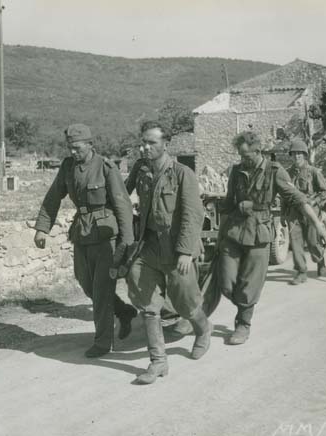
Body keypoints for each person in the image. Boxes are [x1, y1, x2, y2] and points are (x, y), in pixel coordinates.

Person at [33, 124, 138, 358]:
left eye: (77, 148)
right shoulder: (68, 167)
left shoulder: (106, 167)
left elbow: (122, 203)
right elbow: (53, 197)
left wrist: (127, 239)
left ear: (90, 145)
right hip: (82, 233)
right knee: (86, 283)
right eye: (70, 148)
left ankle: (103, 342)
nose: (73, 152)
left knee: (101, 290)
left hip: (105, 235)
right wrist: (42, 228)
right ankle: (124, 311)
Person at [217, 131, 326, 345]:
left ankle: (243, 324)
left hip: (259, 233)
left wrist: (319, 227)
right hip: (233, 232)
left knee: (249, 283)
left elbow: (299, 200)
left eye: (247, 156)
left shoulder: (275, 171)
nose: (243, 160)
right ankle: (243, 305)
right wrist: (221, 235)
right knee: (227, 284)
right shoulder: (236, 171)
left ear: (258, 151)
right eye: (240, 156)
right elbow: (227, 204)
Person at [124, 120, 212, 385]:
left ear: (166, 144)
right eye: (143, 142)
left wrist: (185, 252)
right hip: (149, 246)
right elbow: (122, 195)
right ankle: (158, 362)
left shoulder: (182, 174)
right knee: (147, 302)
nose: (145, 148)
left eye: (151, 143)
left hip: (176, 249)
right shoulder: (140, 171)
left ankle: (203, 328)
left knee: (185, 301)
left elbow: (192, 214)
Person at [282, 138, 326, 285]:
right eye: (294, 154)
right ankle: (301, 271)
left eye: (299, 154)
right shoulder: (287, 173)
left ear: (304, 155)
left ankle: (320, 259)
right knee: (295, 242)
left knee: (312, 242)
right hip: (294, 212)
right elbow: (284, 194)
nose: (296, 157)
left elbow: (325, 193)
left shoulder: (313, 172)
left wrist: (314, 201)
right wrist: (283, 214)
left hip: (311, 211)